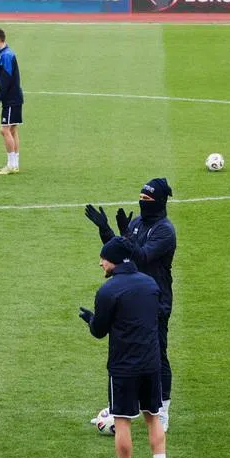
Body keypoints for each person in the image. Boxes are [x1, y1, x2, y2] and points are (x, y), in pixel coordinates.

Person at [79, 237, 176, 458]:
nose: (101, 263)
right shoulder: (150, 283)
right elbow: (159, 312)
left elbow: (99, 331)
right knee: (153, 417)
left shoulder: (108, 290)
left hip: (123, 366)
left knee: (122, 421)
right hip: (151, 362)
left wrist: (91, 319)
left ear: (114, 261)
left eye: (104, 259)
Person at [84, 177, 176, 430]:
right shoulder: (137, 223)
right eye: (141, 198)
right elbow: (119, 253)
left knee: (157, 353)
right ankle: (119, 410)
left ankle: (162, 411)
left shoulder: (164, 230)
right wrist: (105, 230)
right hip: (130, 297)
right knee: (124, 350)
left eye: (147, 199)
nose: (142, 202)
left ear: (158, 202)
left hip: (155, 300)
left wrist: (125, 237)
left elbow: (143, 256)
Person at [0, 28, 23, 175]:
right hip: (15, 97)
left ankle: (10, 165)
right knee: (13, 130)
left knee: (5, 130)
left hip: (11, 99)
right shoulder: (5, 54)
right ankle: (15, 164)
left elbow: (7, 80)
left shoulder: (6, 56)